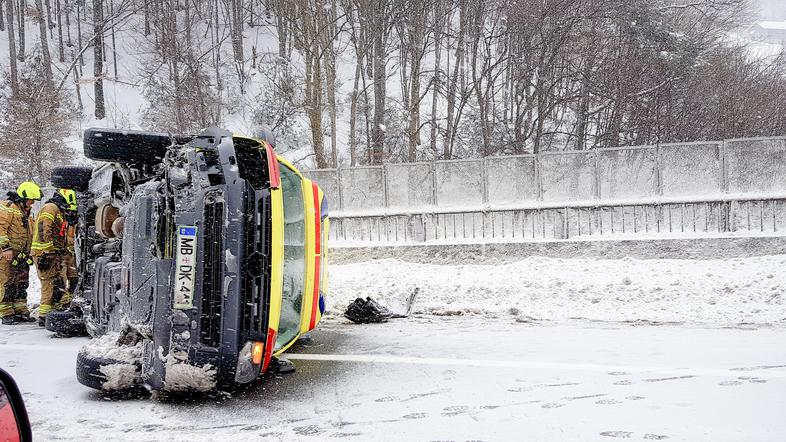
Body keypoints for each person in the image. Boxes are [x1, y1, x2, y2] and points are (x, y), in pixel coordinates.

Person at [31, 188, 76, 327]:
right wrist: (47, 251)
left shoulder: (58, 210)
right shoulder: (51, 208)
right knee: (49, 285)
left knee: (57, 284)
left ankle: (52, 313)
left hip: (53, 254)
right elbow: (44, 229)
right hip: (46, 254)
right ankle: (44, 316)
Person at [0, 182, 42, 325]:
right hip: (7, 253)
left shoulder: (27, 212)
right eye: (31, 200)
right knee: (7, 282)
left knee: (22, 283)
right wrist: (5, 248)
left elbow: (29, 233)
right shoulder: (8, 207)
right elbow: (1, 228)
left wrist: (30, 252)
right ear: (23, 198)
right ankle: (6, 312)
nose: (32, 203)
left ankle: (20, 310)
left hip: (22, 255)